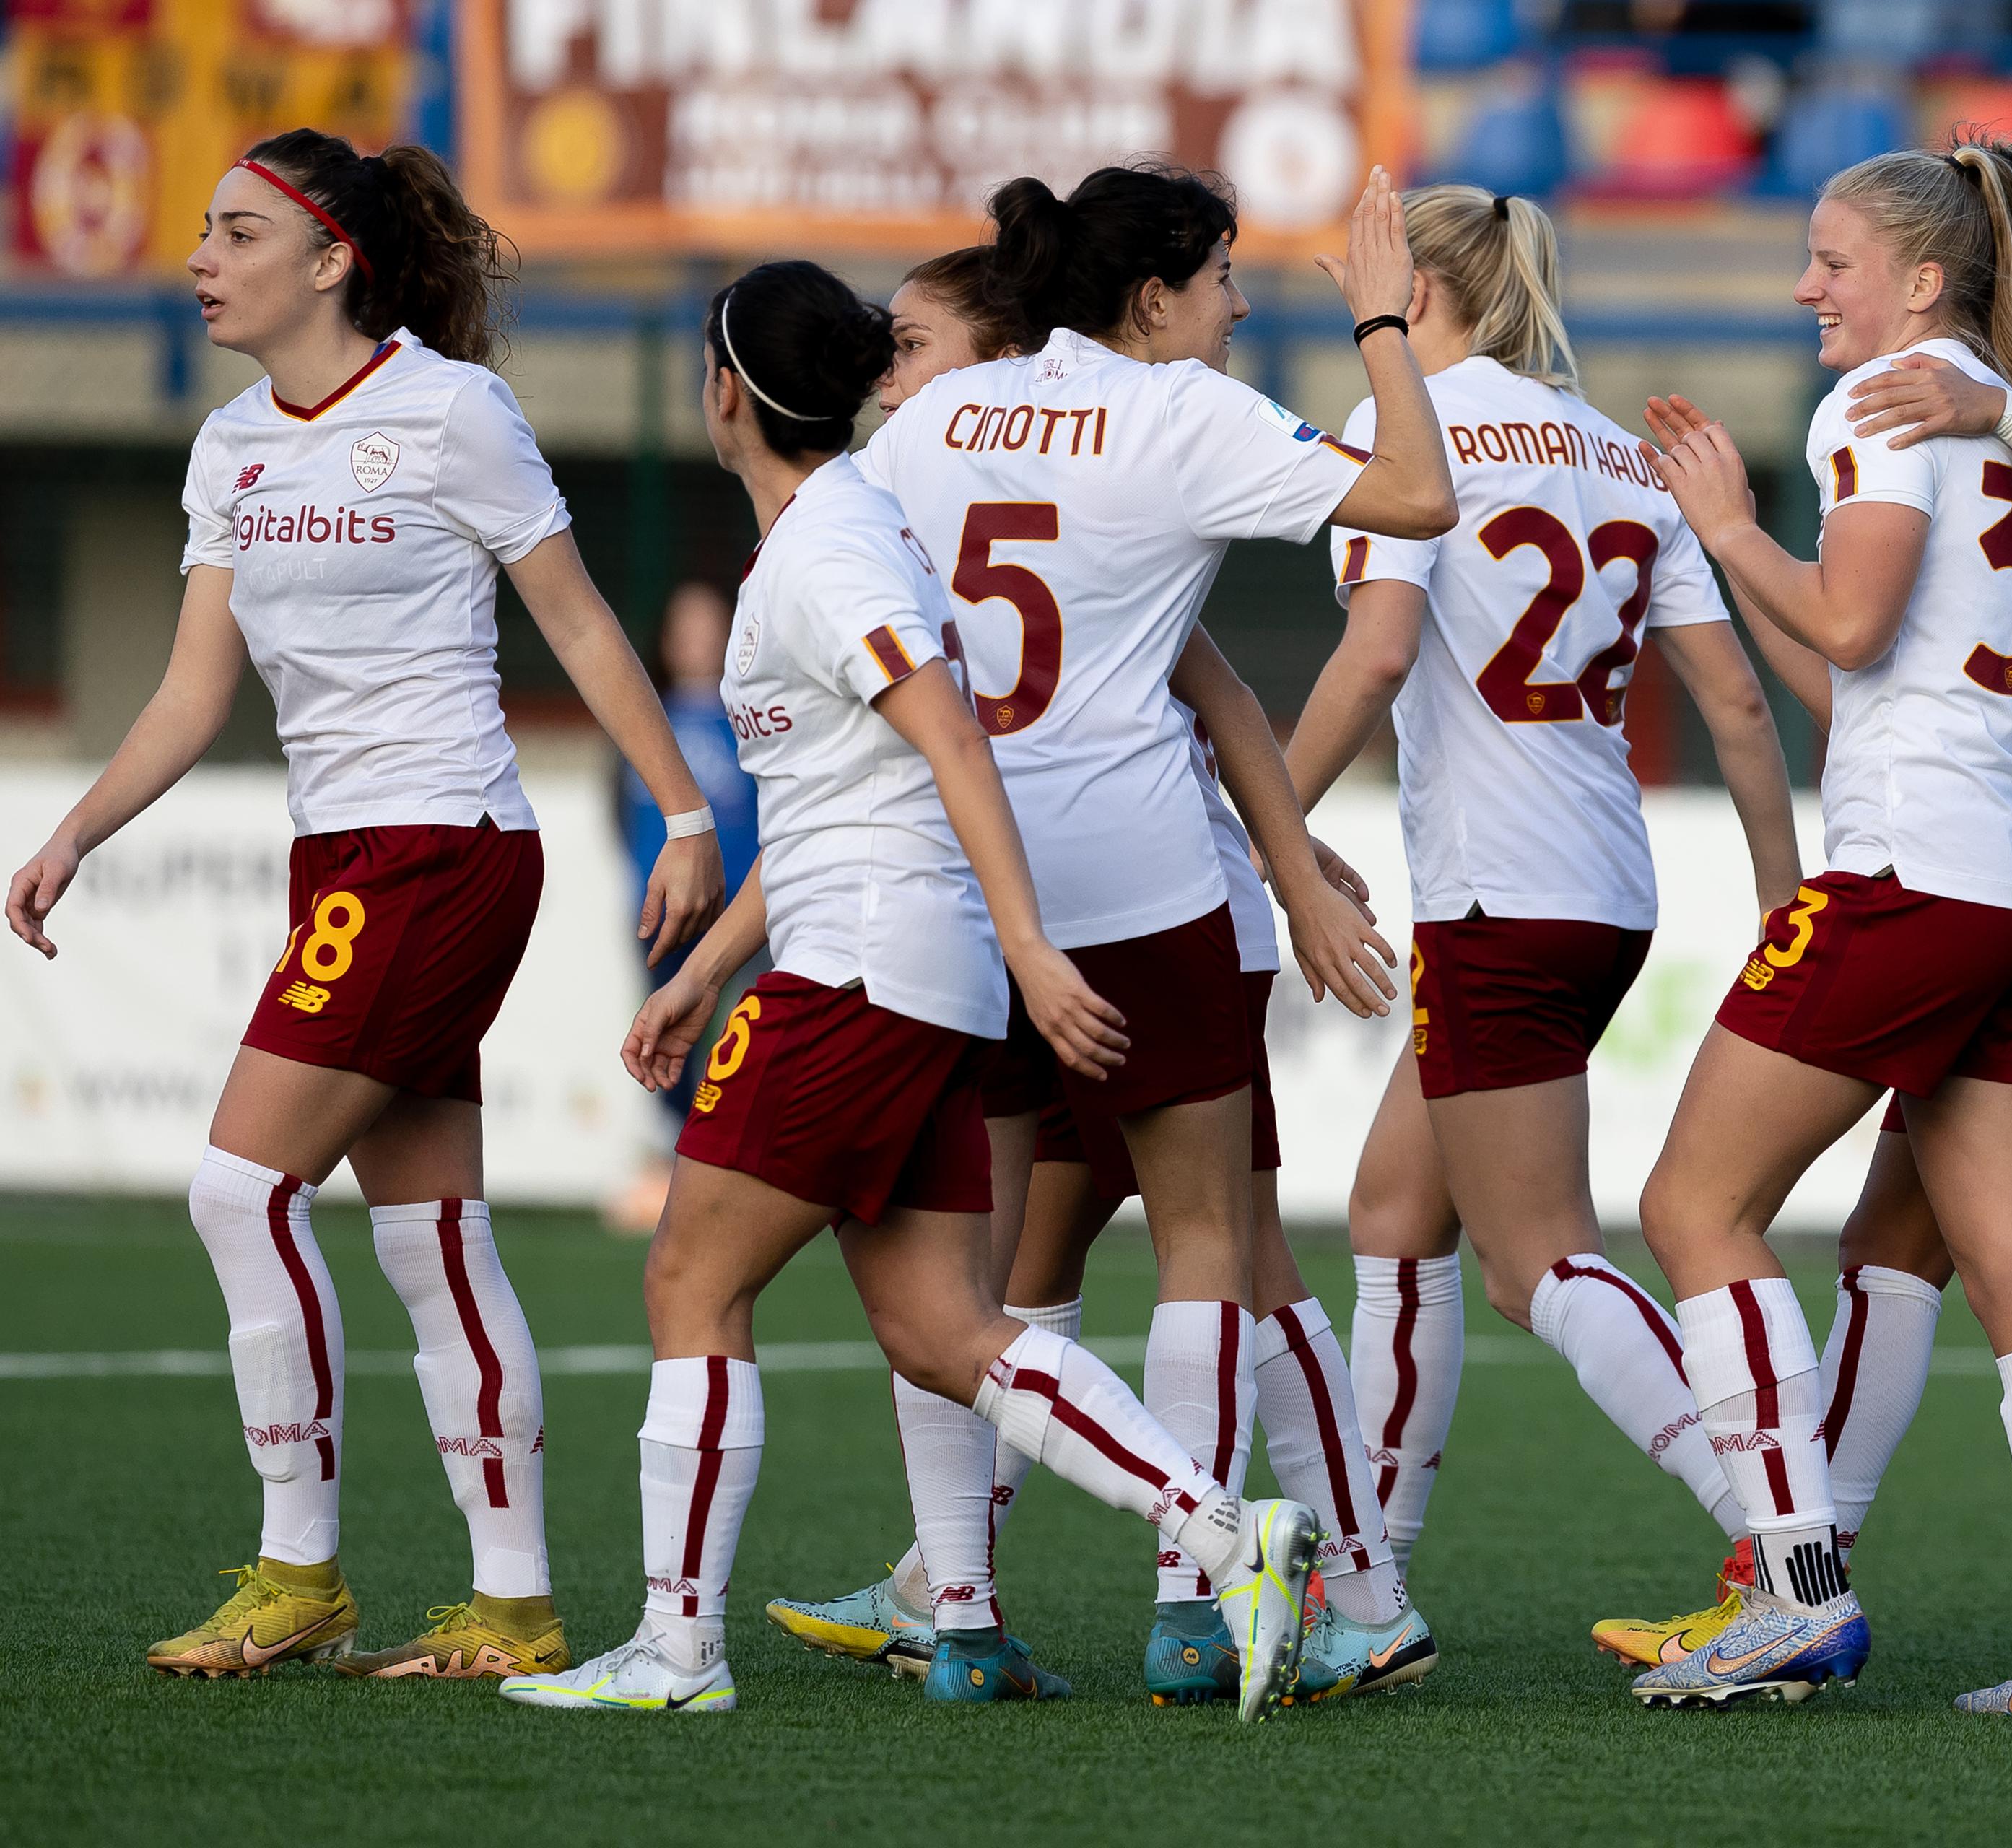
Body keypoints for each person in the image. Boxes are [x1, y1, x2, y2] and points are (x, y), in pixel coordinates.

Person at [494, 260, 1325, 1722]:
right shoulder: (856, 523)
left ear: (727, 393)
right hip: (903, 962)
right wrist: (708, 962)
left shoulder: (828, 550)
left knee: (692, 1276)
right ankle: (1220, 1528)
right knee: (945, 1325)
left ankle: (678, 1651)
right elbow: (849, 782)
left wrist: (1031, 945)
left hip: (866, 969)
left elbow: (948, 736)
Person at [3, 129, 726, 1680]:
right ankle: (516, 1606)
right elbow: (195, 693)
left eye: (238, 230)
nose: (201, 256)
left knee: (236, 1187)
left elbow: (586, 628)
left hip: (444, 846)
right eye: (201, 229)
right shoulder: (227, 447)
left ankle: (297, 1566)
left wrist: (682, 809)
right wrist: (77, 829)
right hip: (345, 855)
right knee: (432, 1235)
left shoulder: (456, 410)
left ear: (332, 260)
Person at [1613, 135, 2012, 1710]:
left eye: (1831, 259)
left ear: (1926, 276)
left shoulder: (1882, 403)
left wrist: (1723, 526)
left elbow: (1852, 623)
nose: (1804, 287)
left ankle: (1797, 1584)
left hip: (1924, 871)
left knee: (1693, 1205)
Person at [765, 249, 1427, 1704]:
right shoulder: (1078, 459)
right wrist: (1294, 859)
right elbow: (1218, 687)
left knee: (1149, 1259)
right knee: (1066, 1267)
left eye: (917, 339)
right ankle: (1084, 1592)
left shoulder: (908, 480)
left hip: (1027, 913)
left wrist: (1293, 862)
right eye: (890, 347)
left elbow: (1207, 692)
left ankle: (1305, 1589)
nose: (895, 366)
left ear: (999, 350)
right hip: (1128, 905)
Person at [1278, 183, 1800, 1596]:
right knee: (1395, 1212)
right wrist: (1785, 898)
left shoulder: (1411, 440)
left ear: (1419, 293)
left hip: (1502, 895)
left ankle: (1782, 1539)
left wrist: (1257, 819)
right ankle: (1364, 1580)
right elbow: (1741, 707)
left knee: (1539, 1261)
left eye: (1369, 289)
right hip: (1600, 887)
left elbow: (1375, 658)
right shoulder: (1624, 455)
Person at [611, 580, 761, 1231]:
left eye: (713, 627)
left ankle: (742, 1169)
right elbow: (618, 810)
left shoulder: (752, 719)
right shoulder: (647, 719)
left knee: (744, 1039)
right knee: (667, 1037)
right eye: (689, 628)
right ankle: (677, 1164)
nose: (700, 641)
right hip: (663, 920)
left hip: (745, 919)